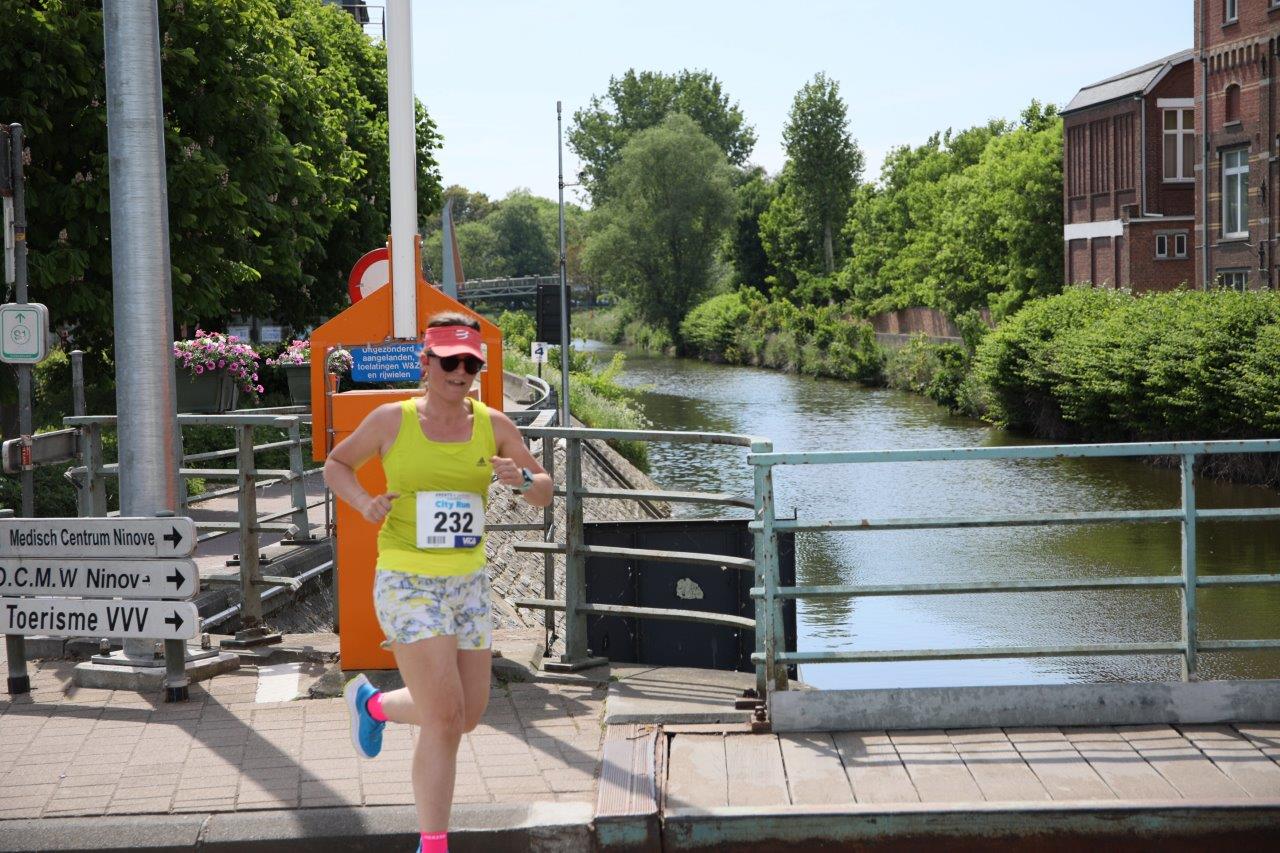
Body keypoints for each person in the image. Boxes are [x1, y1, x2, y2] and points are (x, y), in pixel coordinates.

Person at [323, 311, 552, 853]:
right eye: (449, 362)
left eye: (470, 363)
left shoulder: (495, 425)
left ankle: (373, 706)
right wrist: (364, 502)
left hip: (468, 584)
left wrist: (521, 478)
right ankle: (433, 844)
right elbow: (336, 464)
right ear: (425, 363)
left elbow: (543, 491)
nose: (460, 373)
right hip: (407, 579)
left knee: (467, 715)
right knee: (444, 718)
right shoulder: (391, 420)